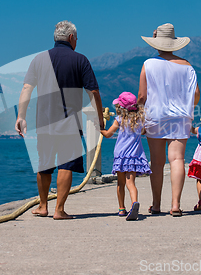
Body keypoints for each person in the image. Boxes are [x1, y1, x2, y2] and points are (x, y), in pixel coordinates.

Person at [15, 20, 104, 220]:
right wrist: (99, 117)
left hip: (44, 122)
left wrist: (21, 116)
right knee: (66, 165)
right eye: (77, 39)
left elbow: (26, 89)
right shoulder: (80, 60)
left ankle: (43, 206)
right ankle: (59, 210)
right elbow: (93, 91)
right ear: (71, 38)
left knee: (44, 165)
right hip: (70, 124)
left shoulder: (39, 59)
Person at [137, 23, 200, 217]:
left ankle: (156, 205)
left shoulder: (148, 64)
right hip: (181, 117)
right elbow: (196, 94)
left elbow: (141, 96)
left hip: (155, 115)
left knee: (157, 162)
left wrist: (140, 117)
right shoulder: (187, 66)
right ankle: (175, 205)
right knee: (177, 159)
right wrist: (187, 107)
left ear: (156, 42)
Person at [100, 92, 151, 221]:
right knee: (131, 183)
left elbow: (108, 134)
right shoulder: (139, 121)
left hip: (121, 156)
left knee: (120, 183)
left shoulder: (119, 120)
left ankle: (121, 209)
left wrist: (100, 128)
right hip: (134, 156)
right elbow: (144, 131)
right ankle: (134, 202)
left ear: (121, 107)